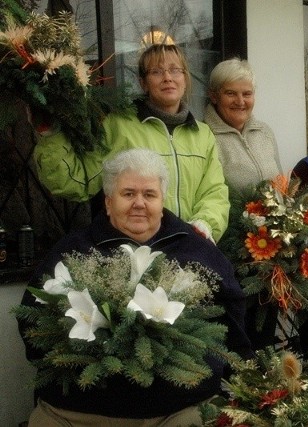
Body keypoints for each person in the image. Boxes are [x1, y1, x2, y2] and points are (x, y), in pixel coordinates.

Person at [18, 148, 253, 426]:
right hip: (79, 413)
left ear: (162, 199)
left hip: (176, 411)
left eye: (149, 194)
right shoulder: (74, 250)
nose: (139, 203)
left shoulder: (197, 251)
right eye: (128, 194)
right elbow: (33, 329)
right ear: (107, 202)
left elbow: (232, 329)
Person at [32, 43, 229, 242]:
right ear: (143, 83)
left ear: (185, 79)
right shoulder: (118, 126)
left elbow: (215, 191)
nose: (168, 78)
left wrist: (204, 224)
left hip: (188, 245)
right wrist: (49, 134)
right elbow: (79, 182)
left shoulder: (202, 134)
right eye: (156, 71)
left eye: (175, 70)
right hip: (132, 248)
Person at [205, 58, 283, 192]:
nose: (240, 101)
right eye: (231, 93)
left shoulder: (264, 132)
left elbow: (282, 184)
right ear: (214, 96)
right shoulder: (205, 136)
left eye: (247, 94)